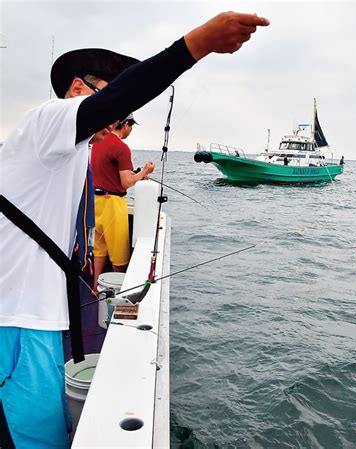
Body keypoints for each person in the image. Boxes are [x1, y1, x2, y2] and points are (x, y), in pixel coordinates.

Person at [0, 12, 270, 449]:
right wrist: (197, 44)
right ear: (76, 88)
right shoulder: (51, 118)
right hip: (18, 319)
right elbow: (120, 96)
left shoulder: (62, 148)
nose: (118, 117)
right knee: (38, 437)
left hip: (31, 313)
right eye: (113, 101)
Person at [91, 113, 155, 290]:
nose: (131, 131)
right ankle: (120, 290)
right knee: (119, 254)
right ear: (126, 125)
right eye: (131, 127)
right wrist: (144, 171)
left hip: (95, 201)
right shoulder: (122, 148)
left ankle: (95, 286)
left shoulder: (97, 143)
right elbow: (126, 183)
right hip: (113, 204)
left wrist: (137, 174)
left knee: (99, 249)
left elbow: (112, 175)